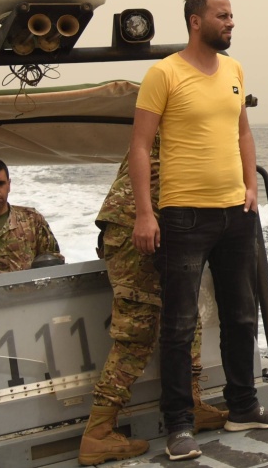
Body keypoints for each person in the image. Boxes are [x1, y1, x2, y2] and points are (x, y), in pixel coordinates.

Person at [131, 0, 268, 461]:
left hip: (235, 214)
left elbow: (242, 131)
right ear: (196, 21)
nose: (231, 22)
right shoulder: (164, 74)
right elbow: (139, 147)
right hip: (184, 216)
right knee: (179, 325)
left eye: (232, 15)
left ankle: (242, 405)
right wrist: (144, 212)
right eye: (222, 15)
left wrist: (251, 187)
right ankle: (178, 425)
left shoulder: (235, 70)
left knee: (242, 314)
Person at [76, 137, 228, 465]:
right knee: (137, 334)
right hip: (139, 228)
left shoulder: (177, 113)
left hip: (155, 223)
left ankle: (191, 405)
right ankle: (98, 432)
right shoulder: (184, 115)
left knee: (187, 315)